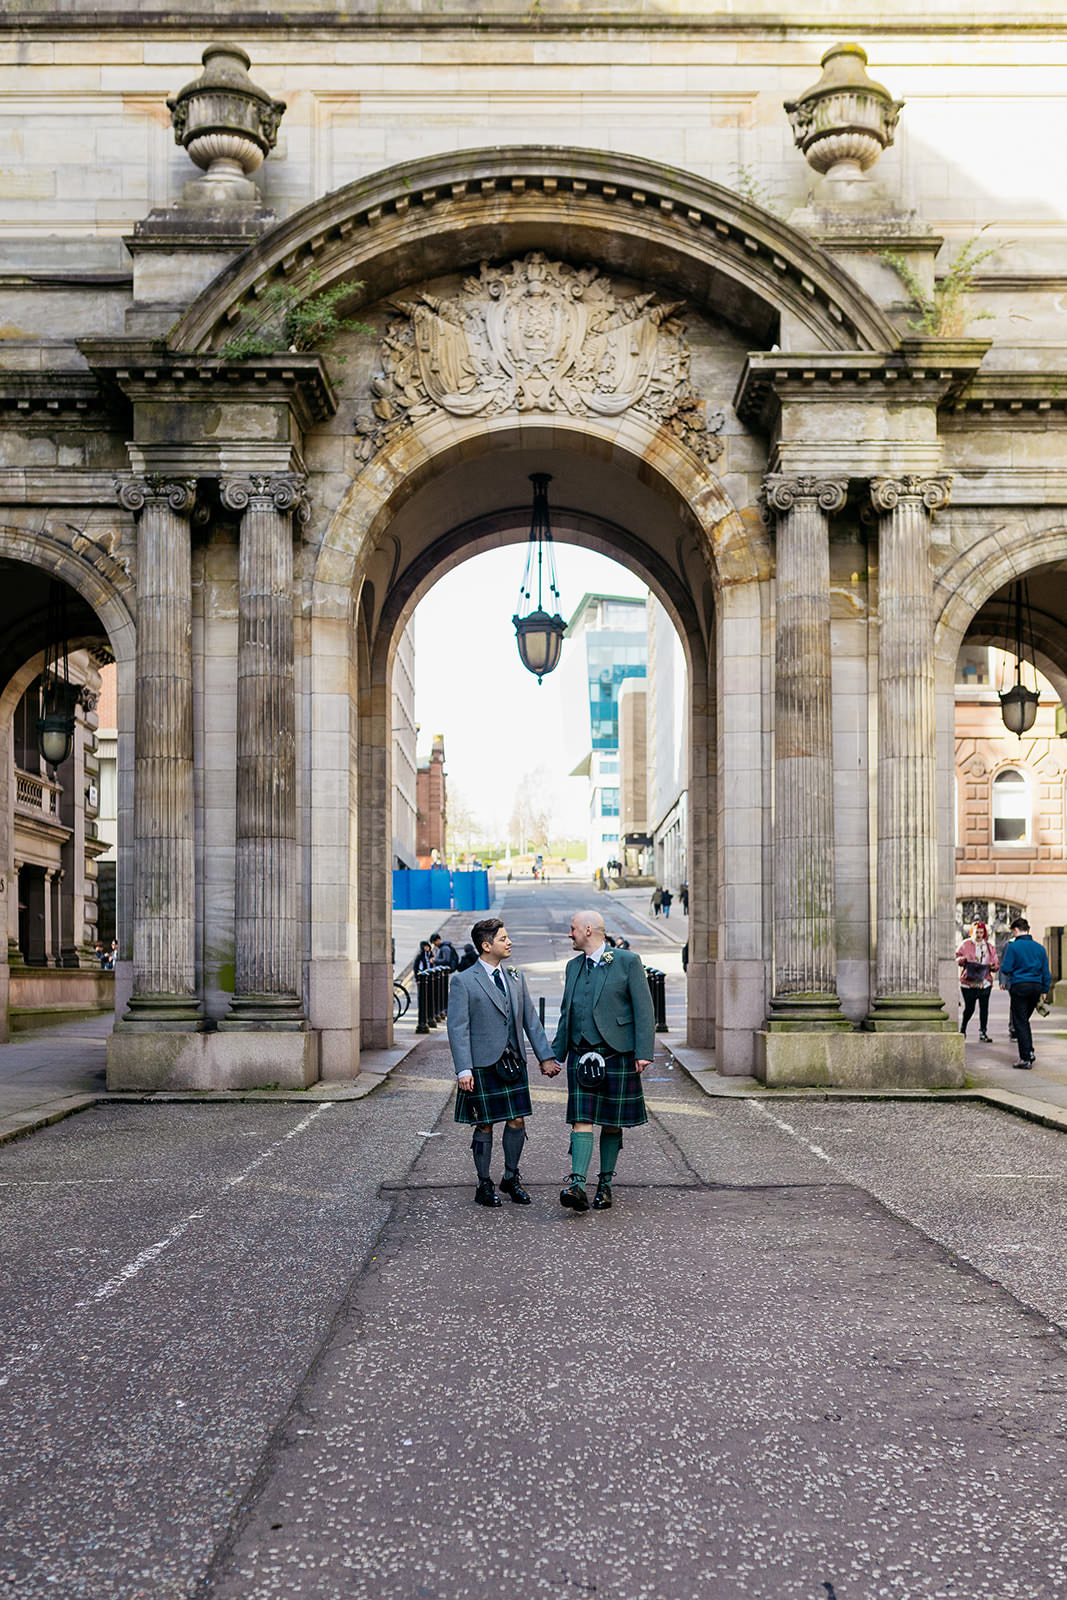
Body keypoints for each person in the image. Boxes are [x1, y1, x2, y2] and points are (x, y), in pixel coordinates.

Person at [446, 916, 560, 1208]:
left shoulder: (515, 977)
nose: (509, 942)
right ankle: (484, 1184)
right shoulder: (463, 981)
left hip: (513, 1063)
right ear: (486, 945)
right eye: (503, 939)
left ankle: (510, 1177)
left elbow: (530, 1021)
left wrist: (545, 1057)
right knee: (484, 1125)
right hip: (482, 1065)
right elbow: (458, 1029)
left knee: (517, 1120)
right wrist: (463, 1068)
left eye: (508, 938)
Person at [551, 908, 655, 1213]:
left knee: (612, 1122)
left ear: (587, 930)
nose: (569, 934)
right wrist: (554, 1057)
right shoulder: (572, 967)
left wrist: (644, 1052)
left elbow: (644, 1010)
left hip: (616, 1054)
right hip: (581, 1057)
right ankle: (578, 1185)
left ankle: (605, 1185)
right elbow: (565, 1016)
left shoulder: (627, 961)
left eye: (572, 929)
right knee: (580, 1119)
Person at [999, 917, 1051, 1070]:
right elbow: (1046, 972)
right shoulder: (1039, 948)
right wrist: (1045, 990)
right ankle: (1030, 1051)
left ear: (1015, 930)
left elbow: (1006, 968)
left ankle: (1025, 1058)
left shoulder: (1013, 947)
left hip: (1020, 986)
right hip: (1036, 987)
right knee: (1024, 1021)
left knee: (1020, 1022)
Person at [956, 919, 998, 1041]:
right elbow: (957, 959)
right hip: (969, 982)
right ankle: (963, 1029)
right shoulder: (965, 944)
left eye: (981, 932)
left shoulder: (990, 947)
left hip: (985, 982)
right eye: (976, 932)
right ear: (972, 932)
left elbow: (996, 964)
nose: (979, 935)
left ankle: (983, 1032)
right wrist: (964, 959)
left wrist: (993, 966)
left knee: (984, 1008)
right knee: (970, 1008)